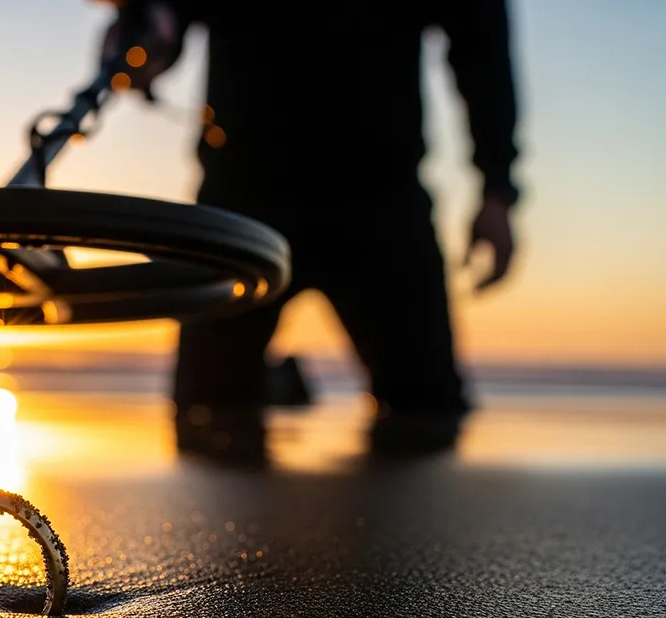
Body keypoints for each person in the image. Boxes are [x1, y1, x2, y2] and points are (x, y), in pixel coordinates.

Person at [104, 0, 521, 463]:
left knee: (427, 409)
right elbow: (171, 9)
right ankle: (280, 383)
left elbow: (479, 37)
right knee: (207, 411)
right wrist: (151, 25)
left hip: (381, 204)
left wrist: (497, 187)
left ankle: (283, 382)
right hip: (242, 204)